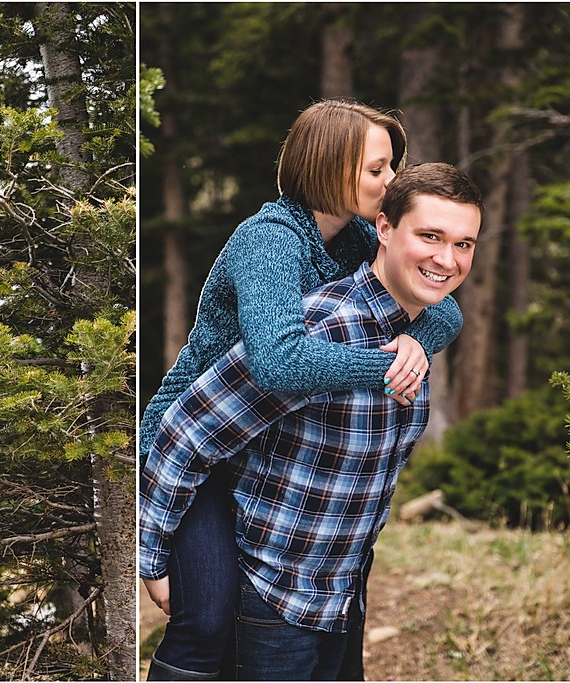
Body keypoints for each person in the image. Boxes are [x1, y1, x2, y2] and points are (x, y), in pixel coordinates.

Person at [137, 99, 464, 681]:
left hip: (266, 440)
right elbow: (281, 363)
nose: (391, 183)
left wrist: (415, 342)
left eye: (392, 167)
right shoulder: (270, 241)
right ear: (327, 166)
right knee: (205, 619)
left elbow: (442, 308)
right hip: (200, 439)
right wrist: (385, 366)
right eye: (376, 170)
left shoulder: (356, 237)